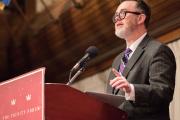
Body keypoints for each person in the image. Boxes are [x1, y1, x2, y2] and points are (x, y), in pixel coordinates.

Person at [106, 0, 176, 120]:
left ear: (140, 18)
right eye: (116, 15)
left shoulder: (158, 50)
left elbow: (163, 92)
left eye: (122, 13)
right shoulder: (118, 59)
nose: (117, 19)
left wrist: (131, 89)